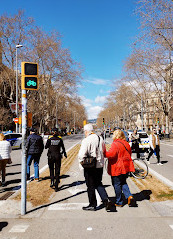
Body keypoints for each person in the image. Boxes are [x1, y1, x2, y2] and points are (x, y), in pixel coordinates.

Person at [78, 124, 112, 211]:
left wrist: (82, 164)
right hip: (99, 165)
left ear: (86, 131)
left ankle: (92, 204)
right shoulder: (100, 138)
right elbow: (104, 151)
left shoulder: (86, 140)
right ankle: (106, 200)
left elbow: (81, 155)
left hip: (90, 166)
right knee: (98, 183)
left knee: (90, 186)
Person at [104, 129, 136, 207]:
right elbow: (130, 153)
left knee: (116, 184)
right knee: (123, 182)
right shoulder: (126, 143)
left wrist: (104, 152)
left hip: (117, 167)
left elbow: (111, 154)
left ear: (116, 135)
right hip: (126, 166)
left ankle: (119, 201)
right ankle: (129, 196)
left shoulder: (115, 144)